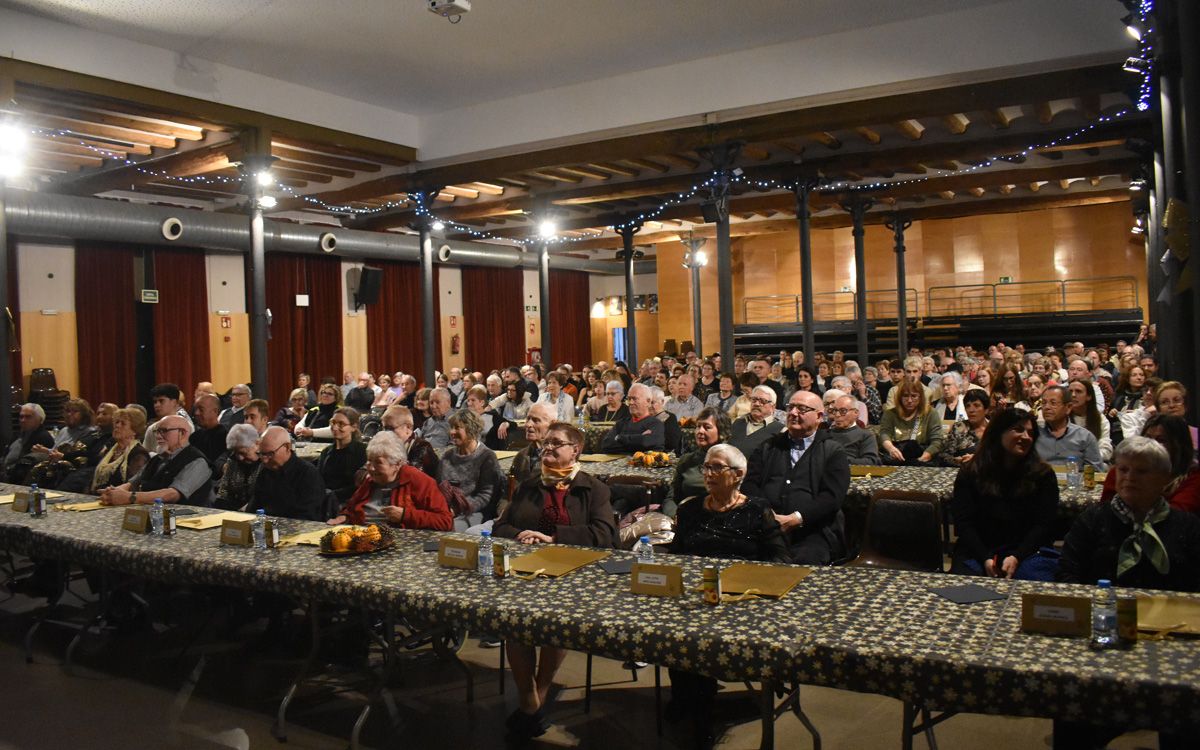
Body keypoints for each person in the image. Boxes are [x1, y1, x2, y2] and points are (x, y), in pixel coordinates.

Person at [493, 422, 616, 741]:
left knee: (554, 621)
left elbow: (605, 536)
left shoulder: (594, 488)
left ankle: (537, 696)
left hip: (573, 571)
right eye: (546, 444)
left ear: (576, 450)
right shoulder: (529, 484)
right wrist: (520, 534)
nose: (548, 449)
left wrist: (552, 537)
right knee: (515, 623)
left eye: (556, 444)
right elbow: (500, 527)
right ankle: (530, 700)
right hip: (527, 568)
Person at [1059, 436, 1200, 593]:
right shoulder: (1093, 519)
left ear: (1164, 478)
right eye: (1123, 470)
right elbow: (1067, 571)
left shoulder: (1187, 526)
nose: (1130, 477)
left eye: (1141, 471)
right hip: (1101, 610)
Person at [742, 390, 850, 564]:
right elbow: (749, 485)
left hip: (812, 531)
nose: (793, 413)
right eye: (790, 407)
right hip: (767, 528)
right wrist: (768, 515)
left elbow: (832, 497)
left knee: (803, 565)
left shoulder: (832, 451)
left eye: (801, 409)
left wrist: (797, 518)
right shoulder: (769, 446)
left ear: (819, 416)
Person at [949, 408, 1059, 579]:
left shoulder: (1043, 475)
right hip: (979, 549)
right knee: (964, 587)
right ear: (998, 433)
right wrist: (985, 558)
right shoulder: (971, 472)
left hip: (1028, 550)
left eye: (1030, 433)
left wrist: (1017, 556)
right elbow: (964, 524)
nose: (1026, 437)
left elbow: (1044, 525)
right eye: (1018, 429)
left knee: (1033, 585)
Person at [329, 432, 452, 530]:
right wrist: (344, 516)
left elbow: (445, 521)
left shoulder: (418, 481)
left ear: (397, 464)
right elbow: (351, 507)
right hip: (363, 537)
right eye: (369, 460)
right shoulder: (371, 479)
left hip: (399, 545)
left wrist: (405, 515)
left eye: (378, 462)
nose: (370, 468)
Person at [100, 415, 212, 506]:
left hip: (187, 521)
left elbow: (172, 495)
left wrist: (130, 497)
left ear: (182, 433)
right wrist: (112, 492)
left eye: (164, 431)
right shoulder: (157, 458)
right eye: (157, 431)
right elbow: (133, 483)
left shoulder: (197, 461)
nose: (158, 436)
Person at [1098, 414, 1200, 514]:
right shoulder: (1121, 471)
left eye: (1161, 440)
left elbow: (1177, 517)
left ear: (1178, 446)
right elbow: (1104, 512)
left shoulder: (1193, 476)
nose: (1151, 445)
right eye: (1147, 438)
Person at [437, 409, 505, 530]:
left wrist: (458, 509)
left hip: (474, 511)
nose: (452, 432)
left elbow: (485, 496)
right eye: (451, 427)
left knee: (450, 528)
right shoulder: (447, 456)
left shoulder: (487, 456)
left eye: (457, 428)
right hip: (446, 510)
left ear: (471, 429)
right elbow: (439, 488)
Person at [667, 407, 731, 517]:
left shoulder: (731, 461)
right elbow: (671, 497)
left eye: (707, 427)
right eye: (698, 426)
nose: (700, 431)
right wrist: (675, 514)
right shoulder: (686, 460)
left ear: (721, 432)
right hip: (684, 518)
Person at [251, 426, 326, 520]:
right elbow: (254, 508)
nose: (265, 460)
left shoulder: (307, 474)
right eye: (261, 454)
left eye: (270, 454)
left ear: (287, 447)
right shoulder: (265, 472)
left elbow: (308, 516)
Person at [1035, 385, 1105, 470]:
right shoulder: (1034, 434)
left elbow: (1095, 472)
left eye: (1053, 403)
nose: (1047, 407)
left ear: (1068, 407)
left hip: (1075, 482)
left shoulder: (1085, 437)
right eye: (1044, 403)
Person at [877, 379, 944, 465]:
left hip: (922, 457)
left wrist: (926, 455)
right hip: (896, 457)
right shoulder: (890, 414)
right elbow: (884, 433)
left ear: (920, 398)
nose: (909, 400)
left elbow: (937, 440)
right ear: (899, 397)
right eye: (905, 396)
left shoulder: (931, 413)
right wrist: (890, 448)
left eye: (914, 396)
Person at [317, 407, 368, 512]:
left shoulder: (362, 451)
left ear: (354, 427)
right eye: (333, 422)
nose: (335, 428)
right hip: (325, 500)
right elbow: (319, 480)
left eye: (341, 424)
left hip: (350, 503)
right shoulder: (326, 452)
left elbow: (360, 486)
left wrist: (332, 494)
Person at [89, 408, 150, 494]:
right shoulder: (110, 450)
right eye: (116, 422)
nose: (117, 425)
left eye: (123, 423)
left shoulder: (138, 454)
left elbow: (133, 484)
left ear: (134, 430)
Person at [599, 383, 665, 453]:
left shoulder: (656, 424)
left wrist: (618, 437)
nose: (630, 402)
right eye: (629, 399)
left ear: (648, 401)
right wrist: (638, 439)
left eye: (634, 399)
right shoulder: (621, 423)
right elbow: (606, 445)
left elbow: (644, 442)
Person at [380, 405, 439, 479]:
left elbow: (412, 478)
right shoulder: (385, 445)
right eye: (385, 428)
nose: (386, 433)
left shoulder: (422, 447)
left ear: (408, 427)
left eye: (391, 429)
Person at [213, 424, 263, 511]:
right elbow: (224, 491)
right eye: (236, 452)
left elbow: (265, 496)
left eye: (243, 452)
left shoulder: (267, 464)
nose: (240, 458)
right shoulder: (233, 461)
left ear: (257, 444)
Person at [3, 403, 54, 483]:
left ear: (40, 419)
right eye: (21, 417)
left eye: (28, 417)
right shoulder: (17, 435)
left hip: (18, 479)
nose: (23, 420)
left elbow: (26, 468)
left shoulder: (44, 437)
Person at [728, 385, 784, 458]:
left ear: (773, 407)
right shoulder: (738, 422)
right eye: (754, 399)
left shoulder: (780, 431)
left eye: (763, 401)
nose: (756, 404)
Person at [938, 389, 990, 466]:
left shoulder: (994, 429)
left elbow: (1002, 457)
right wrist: (957, 461)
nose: (971, 410)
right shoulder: (959, 428)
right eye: (968, 406)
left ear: (986, 410)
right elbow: (943, 456)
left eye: (976, 405)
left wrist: (976, 459)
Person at [510, 401, 557, 487]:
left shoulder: (560, 457)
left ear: (552, 424)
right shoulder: (521, 456)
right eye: (528, 419)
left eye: (536, 420)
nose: (528, 424)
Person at [826, 394, 880, 465]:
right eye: (835, 410)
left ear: (856, 413)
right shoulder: (825, 434)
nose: (837, 415)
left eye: (843, 411)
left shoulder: (865, 436)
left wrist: (840, 460)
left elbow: (871, 462)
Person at [1067, 379, 1112, 462]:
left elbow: (1106, 450)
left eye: (1078, 391)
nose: (1073, 395)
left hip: (1093, 463)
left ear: (1089, 396)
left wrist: (1087, 458)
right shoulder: (1062, 417)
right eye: (1070, 391)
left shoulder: (1100, 419)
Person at [465, 384, 515, 450]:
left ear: (482, 403)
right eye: (468, 400)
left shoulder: (492, 416)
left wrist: (505, 424)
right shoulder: (465, 419)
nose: (469, 403)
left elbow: (514, 425)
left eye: (473, 400)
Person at [1153, 381, 1199, 450]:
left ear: (1185, 405)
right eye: (1165, 402)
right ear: (1158, 409)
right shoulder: (1152, 436)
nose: (1171, 405)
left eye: (1177, 400)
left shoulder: (1197, 434)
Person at [189, 393, 229, 465]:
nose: (196, 413)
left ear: (215, 411)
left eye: (201, 409)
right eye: (195, 409)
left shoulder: (224, 437)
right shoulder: (194, 436)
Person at [649, 386, 683, 455]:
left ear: (662, 401)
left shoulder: (670, 418)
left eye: (652, 402)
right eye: (647, 402)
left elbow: (671, 444)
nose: (649, 406)